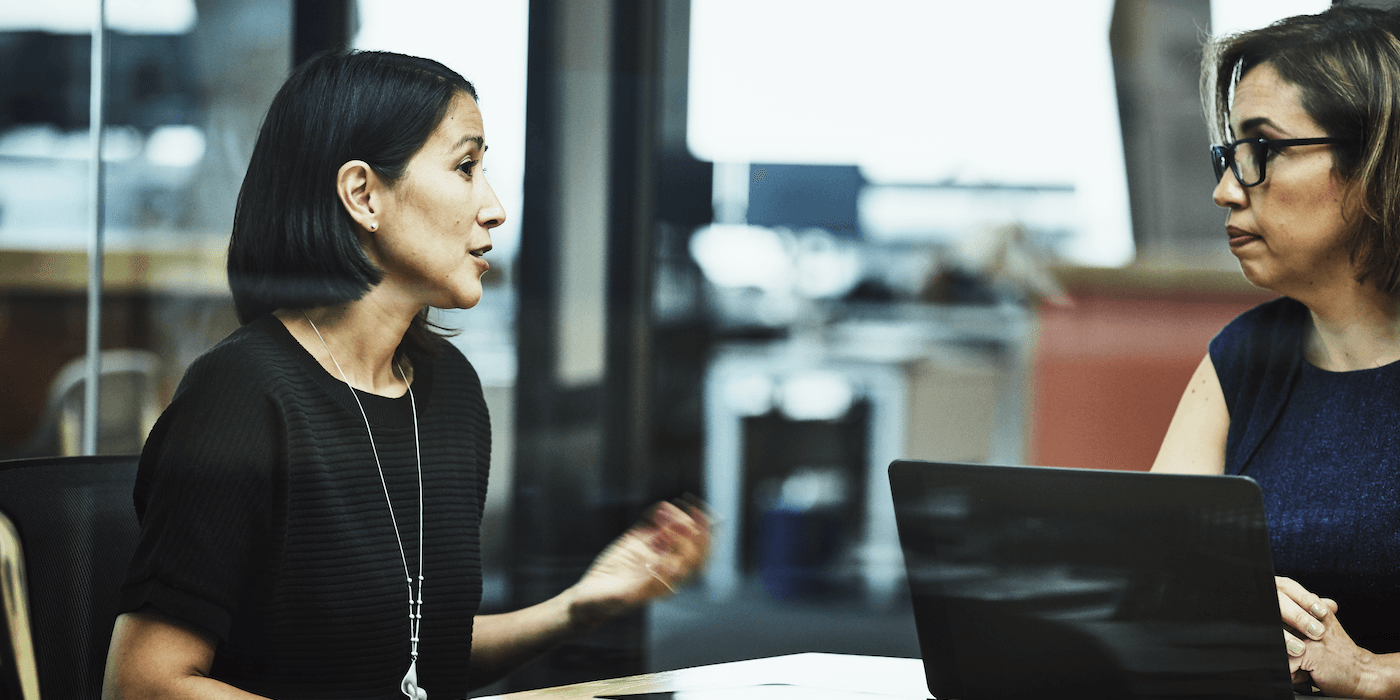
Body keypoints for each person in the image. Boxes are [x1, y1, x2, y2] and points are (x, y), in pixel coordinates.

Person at [101, 50, 709, 700]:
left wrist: (580, 606)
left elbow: (419, 658)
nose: (495, 208)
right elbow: (143, 684)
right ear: (363, 195)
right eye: (466, 167)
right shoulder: (241, 395)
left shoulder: (450, 391)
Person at [1151, 6, 1400, 698]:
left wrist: (1373, 673)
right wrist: (1218, 606)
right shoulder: (1244, 355)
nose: (1225, 190)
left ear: (1377, 159)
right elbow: (1146, 578)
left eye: (1262, 149)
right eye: (1230, 154)